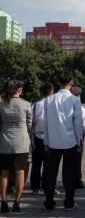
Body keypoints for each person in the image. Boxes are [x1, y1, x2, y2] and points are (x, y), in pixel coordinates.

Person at [43, 72, 83, 211]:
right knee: (69, 174)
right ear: (70, 82)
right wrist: (79, 141)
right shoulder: (74, 100)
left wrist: (46, 141)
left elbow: (45, 123)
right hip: (70, 142)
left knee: (50, 174)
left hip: (53, 142)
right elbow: (77, 123)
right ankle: (69, 202)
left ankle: (49, 202)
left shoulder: (49, 100)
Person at [0, 80, 32, 213]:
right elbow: (30, 125)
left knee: (4, 173)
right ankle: (17, 202)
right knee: (20, 172)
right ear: (18, 90)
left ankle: (4, 202)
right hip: (21, 143)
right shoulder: (26, 104)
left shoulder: (1, 105)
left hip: (5, 142)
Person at [30, 82, 54, 195]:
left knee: (36, 163)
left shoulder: (35, 105)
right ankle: (46, 186)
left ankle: (35, 187)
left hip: (37, 137)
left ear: (41, 92)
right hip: (50, 137)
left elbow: (31, 123)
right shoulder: (54, 104)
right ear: (51, 92)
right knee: (48, 164)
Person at [70, 86, 85, 189]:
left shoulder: (67, 105)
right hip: (78, 138)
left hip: (67, 137)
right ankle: (78, 180)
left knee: (69, 161)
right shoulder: (80, 107)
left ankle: (69, 180)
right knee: (77, 160)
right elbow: (84, 123)